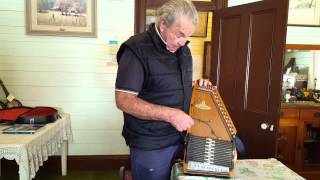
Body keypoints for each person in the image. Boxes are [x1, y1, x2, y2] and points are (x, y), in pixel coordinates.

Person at [115, 0, 211, 179]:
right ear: (163, 24)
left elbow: (173, 85)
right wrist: (170, 114)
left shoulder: (183, 50)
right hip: (150, 142)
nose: (183, 42)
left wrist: (198, 86)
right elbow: (124, 100)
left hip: (181, 137)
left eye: (187, 37)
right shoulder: (136, 49)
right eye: (179, 34)